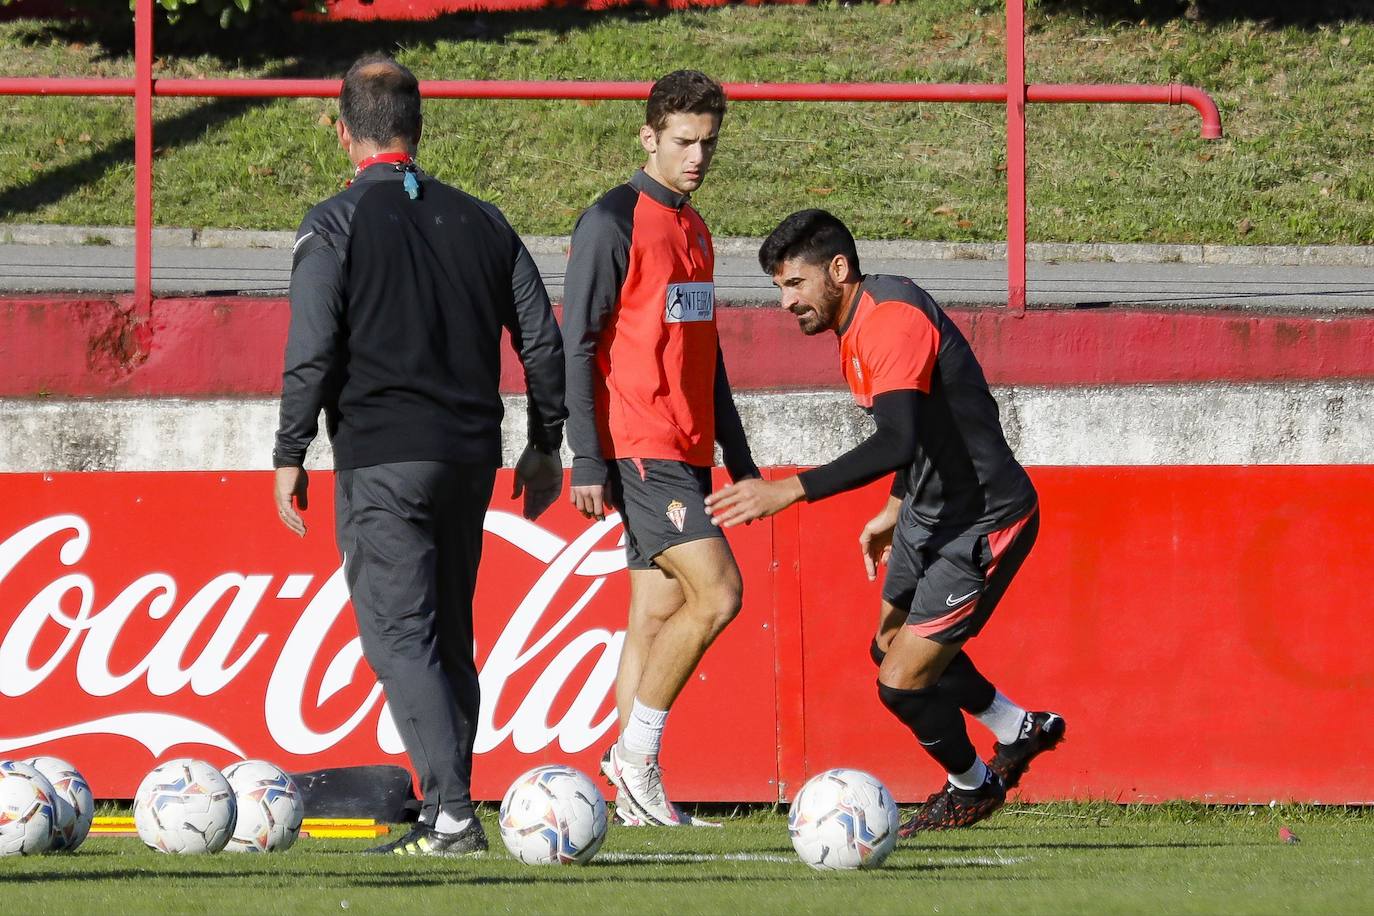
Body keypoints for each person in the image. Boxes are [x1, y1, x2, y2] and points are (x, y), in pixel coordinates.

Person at [271, 55, 566, 857]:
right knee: (447, 637)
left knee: (401, 640)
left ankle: (456, 814)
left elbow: (311, 348)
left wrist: (290, 447)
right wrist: (546, 442)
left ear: (343, 132)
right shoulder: (484, 220)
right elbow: (542, 339)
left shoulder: (332, 222)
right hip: (469, 457)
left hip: (380, 459)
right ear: (419, 128)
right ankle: (447, 814)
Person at [705, 209, 1064, 834]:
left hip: (983, 518)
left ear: (838, 270)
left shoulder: (891, 321)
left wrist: (788, 489)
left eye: (795, 284)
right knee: (886, 648)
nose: (786, 302)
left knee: (900, 684)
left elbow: (897, 439)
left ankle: (971, 788)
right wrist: (896, 508)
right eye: (779, 289)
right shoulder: (860, 324)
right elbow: (920, 432)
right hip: (931, 511)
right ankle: (1017, 727)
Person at [562, 70, 758, 827]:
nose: (698, 156)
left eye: (709, 142)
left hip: (688, 450)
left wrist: (738, 457)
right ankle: (634, 760)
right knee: (720, 594)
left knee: (653, 614)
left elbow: (707, 359)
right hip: (641, 450)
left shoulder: (696, 227)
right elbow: (577, 344)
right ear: (648, 137)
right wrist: (586, 456)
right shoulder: (612, 222)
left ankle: (631, 793)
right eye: (684, 141)